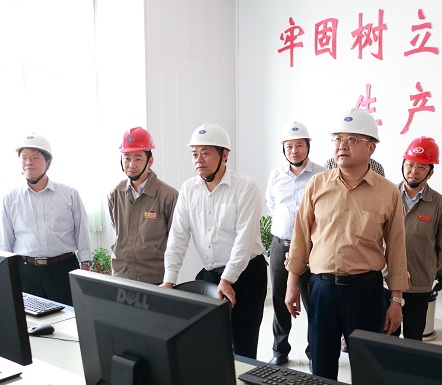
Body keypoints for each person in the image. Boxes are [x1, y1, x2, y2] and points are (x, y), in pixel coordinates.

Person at [285, 108, 409, 380]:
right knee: (321, 364)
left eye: (352, 139)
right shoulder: (317, 185)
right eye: (338, 139)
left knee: (367, 367)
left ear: (371, 148)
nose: (342, 145)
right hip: (322, 289)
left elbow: (397, 249)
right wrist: (292, 283)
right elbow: (301, 237)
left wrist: (396, 300)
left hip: (365, 290)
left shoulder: (388, 193)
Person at [162, 123, 267, 359]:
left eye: (205, 153)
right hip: (211, 273)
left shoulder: (245, 188)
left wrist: (228, 279)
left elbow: (244, 241)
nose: (198, 160)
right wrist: (169, 280)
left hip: (247, 274)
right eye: (194, 154)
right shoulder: (189, 189)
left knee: (243, 345)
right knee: (209, 343)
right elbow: (178, 236)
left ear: (224, 155)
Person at [0, 133, 92, 305]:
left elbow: (82, 231)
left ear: (48, 162)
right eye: (24, 158)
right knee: (30, 319)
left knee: (69, 318)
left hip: (63, 269)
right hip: (26, 272)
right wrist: (5, 274)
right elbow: (6, 241)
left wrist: (85, 264)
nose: (29, 162)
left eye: (35, 157)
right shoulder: (10, 198)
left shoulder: (69, 194)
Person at [265, 121, 325, 366]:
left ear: (308, 146)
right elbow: (272, 204)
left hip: (312, 249)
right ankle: (280, 350)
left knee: (313, 303)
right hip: (281, 245)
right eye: (289, 146)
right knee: (280, 300)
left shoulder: (321, 175)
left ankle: (314, 352)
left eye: (299, 145)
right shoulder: (276, 175)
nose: (294, 151)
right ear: (284, 149)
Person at [388, 136, 442, 340]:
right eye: (410, 164)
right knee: (386, 336)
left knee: (413, 338)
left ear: (430, 172)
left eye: (421, 167)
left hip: (418, 285)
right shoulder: (387, 196)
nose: (414, 171)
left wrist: (427, 267)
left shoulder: (441, 205)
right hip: (386, 281)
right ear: (403, 165)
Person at [108, 127, 178, 284]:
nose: (131, 164)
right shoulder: (114, 194)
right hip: (121, 276)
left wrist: (170, 280)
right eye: (127, 158)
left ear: (150, 161)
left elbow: (175, 241)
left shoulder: (168, 196)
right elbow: (118, 231)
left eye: (138, 159)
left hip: (155, 279)